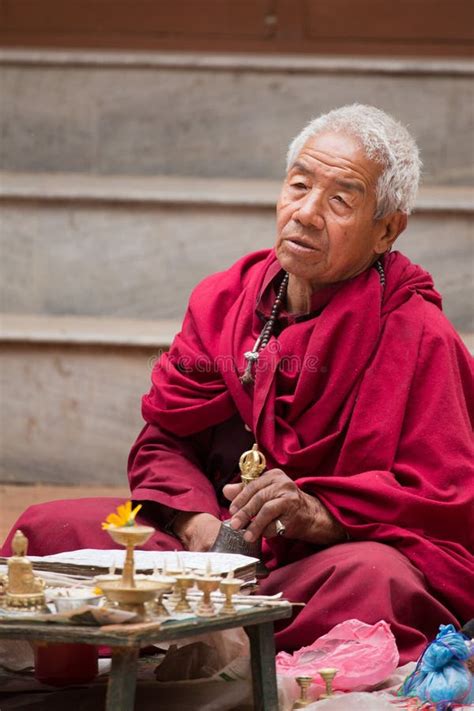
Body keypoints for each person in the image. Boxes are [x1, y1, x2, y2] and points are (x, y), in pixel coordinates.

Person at [2, 105, 473, 664]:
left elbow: (442, 500)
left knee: (378, 581)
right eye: (298, 186)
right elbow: (164, 441)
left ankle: (193, 632)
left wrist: (317, 516)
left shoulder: (419, 335)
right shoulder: (225, 301)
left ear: (387, 230)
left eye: (340, 201)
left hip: (312, 565)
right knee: (50, 528)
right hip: (205, 548)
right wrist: (197, 525)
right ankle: (214, 631)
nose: (306, 213)